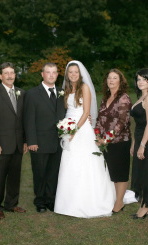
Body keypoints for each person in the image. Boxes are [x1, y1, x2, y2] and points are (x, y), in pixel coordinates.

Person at [54, 61, 116, 218]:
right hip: (68, 127)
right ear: (67, 74)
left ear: (80, 74)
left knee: (84, 163)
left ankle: (88, 202)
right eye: (70, 72)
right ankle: (67, 203)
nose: (73, 74)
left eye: (76, 72)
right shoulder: (66, 89)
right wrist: (66, 128)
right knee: (70, 163)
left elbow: (86, 111)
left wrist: (75, 130)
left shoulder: (84, 88)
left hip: (81, 129)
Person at [0, 62, 28, 220]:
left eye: (12, 72)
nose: (10, 75)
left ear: (15, 75)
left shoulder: (22, 93)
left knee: (15, 176)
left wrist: (24, 141)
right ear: (0, 76)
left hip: (17, 144)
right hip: (0, 145)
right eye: (6, 73)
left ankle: (11, 203)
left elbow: (23, 120)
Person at [24, 62, 66, 213]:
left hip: (58, 142)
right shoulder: (32, 94)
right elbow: (28, 120)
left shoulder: (62, 92)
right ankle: (40, 201)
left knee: (53, 173)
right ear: (42, 74)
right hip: (40, 142)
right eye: (48, 72)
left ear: (57, 74)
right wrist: (31, 141)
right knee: (40, 173)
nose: (51, 75)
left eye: (54, 72)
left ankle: (51, 200)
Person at [96, 69, 132, 213]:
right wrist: (98, 135)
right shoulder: (105, 98)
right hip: (105, 142)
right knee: (112, 172)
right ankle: (115, 198)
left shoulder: (124, 98)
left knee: (120, 173)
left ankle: (119, 202)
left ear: (120, 81)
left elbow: (122, 122)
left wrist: (106, 139)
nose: (111, 80)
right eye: (109, 78)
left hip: (120, 141)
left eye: (115, 78)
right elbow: (100, 118)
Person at [130, 68, 148, 220]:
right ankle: (144, 205)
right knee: (140, 173)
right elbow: (138, 125)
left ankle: (147, 206)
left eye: (144, 80)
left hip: (147, 140)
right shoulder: (141, 97)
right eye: (139, 79)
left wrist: (142, 145)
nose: (141, 82)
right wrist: (134, 143)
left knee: (146, 173)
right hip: (140, 138)